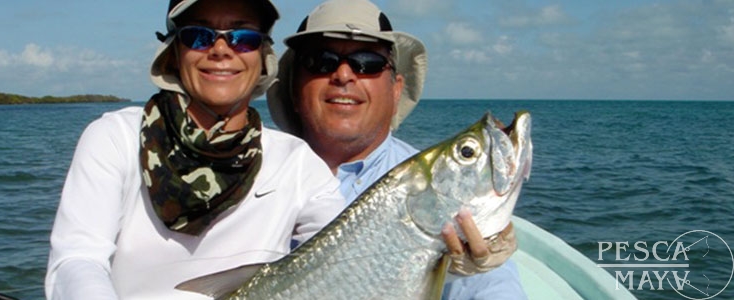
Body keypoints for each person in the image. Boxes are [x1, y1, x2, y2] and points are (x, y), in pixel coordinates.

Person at [44, 1, 346, 299]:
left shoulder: (297, 163)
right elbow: (77, 259)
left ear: (263, 56)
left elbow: (345, 262)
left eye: (244, 39)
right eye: (198, 35)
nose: (220, 49)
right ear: (174, 53)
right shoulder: (116, 137)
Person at [267, 0, 526, 299]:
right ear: (293, 88)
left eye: (367, 62)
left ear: (396, 89)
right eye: (320, 61)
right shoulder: (253, 173)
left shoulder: (436, 188)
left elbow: (494, 288)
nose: (344, 75)